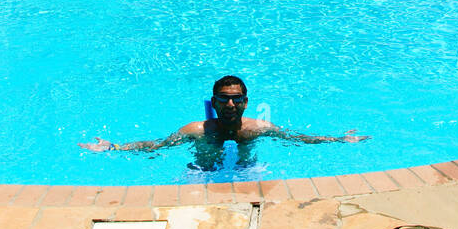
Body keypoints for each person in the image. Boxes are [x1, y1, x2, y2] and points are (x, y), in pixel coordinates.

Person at [80, 75, 368, 169]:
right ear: (214, 102)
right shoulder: (195, 130)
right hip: (201, 174)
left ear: (245, 102)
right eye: (224, 99)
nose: (231, 104)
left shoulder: (259, 128)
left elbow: (299, 139)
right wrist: (115, 147)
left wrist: (339, 139)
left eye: (236, 99)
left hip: (248, 171)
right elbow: (158, 145)